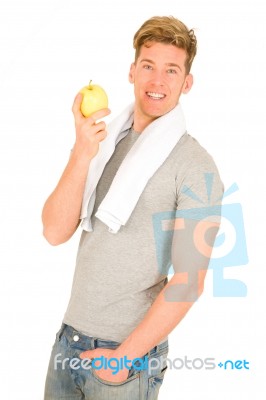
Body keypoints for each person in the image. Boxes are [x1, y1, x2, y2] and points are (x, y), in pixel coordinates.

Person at [43, 15, 223, 399]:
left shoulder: (195, 166)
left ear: (187, 82)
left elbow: (189, 282)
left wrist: (123, 357)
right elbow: (54, 231)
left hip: (125, 361)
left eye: (171, 70)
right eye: (148, 66)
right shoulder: (102, 142)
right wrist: (81, 152)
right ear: (132, 72)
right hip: (67, 342)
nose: (157, 82)